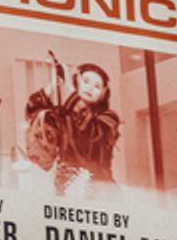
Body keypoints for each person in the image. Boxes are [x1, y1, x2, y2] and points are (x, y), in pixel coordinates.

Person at [23, 58, 120, 192]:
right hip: (67, 186)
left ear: (103, 92)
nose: (90, 88)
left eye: (97, 86)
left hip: (99, 187)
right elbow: (35, 113)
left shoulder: (109, 118)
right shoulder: (63, 116)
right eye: (85, 82)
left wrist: (70, 89)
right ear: (77, 82)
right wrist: (54, 83)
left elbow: (91, 131)